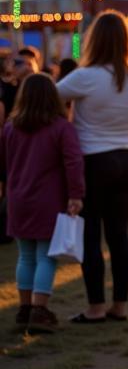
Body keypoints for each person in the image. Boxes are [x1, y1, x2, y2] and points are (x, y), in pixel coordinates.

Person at [57, 10, 128, 322]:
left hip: (92, 162)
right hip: (126, 161)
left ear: (95, 39)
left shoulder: (86, 76)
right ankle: (119, 306)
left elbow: (49, 96)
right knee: (119, 236)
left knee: (90, 236)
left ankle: (95, 307)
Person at [0, 73, 85, 333]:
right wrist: (76, 194)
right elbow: (73, 162)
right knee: (46, 257)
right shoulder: (61, 127)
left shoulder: (10, 128)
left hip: (18, 199)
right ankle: (39, 310)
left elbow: (3, 163)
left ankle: (24, 309)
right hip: (48, 200)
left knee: (25, 256)